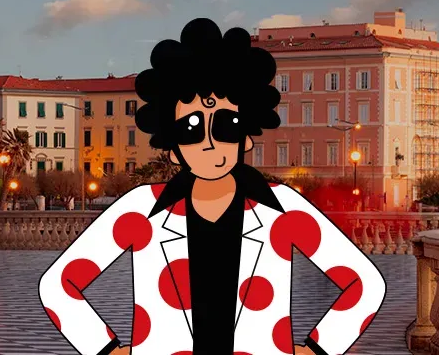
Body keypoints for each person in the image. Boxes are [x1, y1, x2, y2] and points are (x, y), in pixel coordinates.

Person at [37, 19, 385, 355]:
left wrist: (318, 349)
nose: (209, 142)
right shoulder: (141, 209)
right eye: (190, 129)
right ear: (173, 148)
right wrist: (106, 349)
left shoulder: (282, 209)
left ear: (246, 137)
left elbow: (365, 284)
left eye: (226, 125)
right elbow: (59, 286)